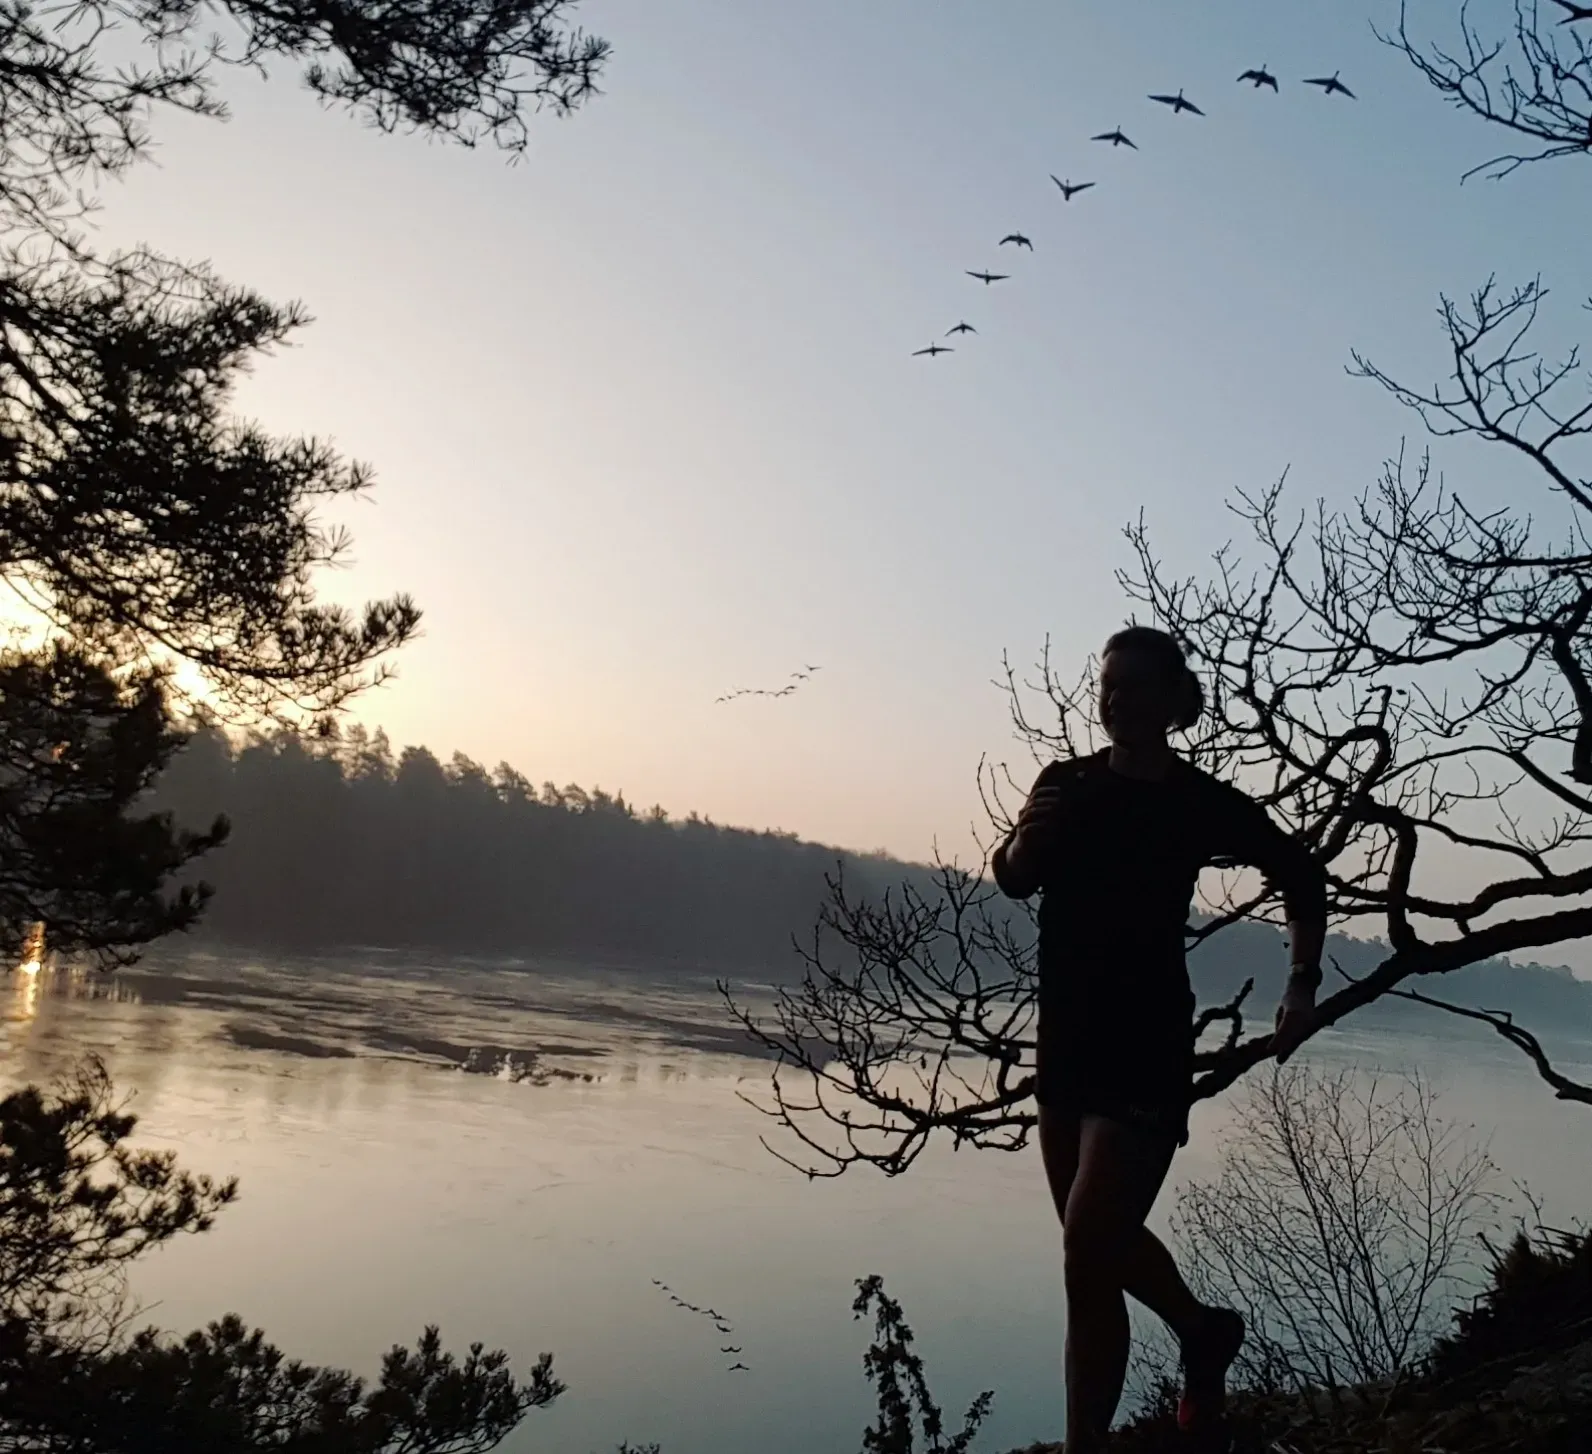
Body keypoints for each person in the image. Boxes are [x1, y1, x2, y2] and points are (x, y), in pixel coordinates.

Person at [990, 625, 1328, 1452]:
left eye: (1138, 684)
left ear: (1177, 702)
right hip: (1065, 1043)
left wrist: (1301, 984)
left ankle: (1084, 1444)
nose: (1117, 698)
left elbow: (1299, 872)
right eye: (1108, 683)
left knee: (1085, 1250)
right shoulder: (1064, 783)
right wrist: (1023, 839)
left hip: (1146, 1042)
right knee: (1091, 1253)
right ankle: (1200, 1328)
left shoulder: (1197, 802)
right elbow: (1013, 877)